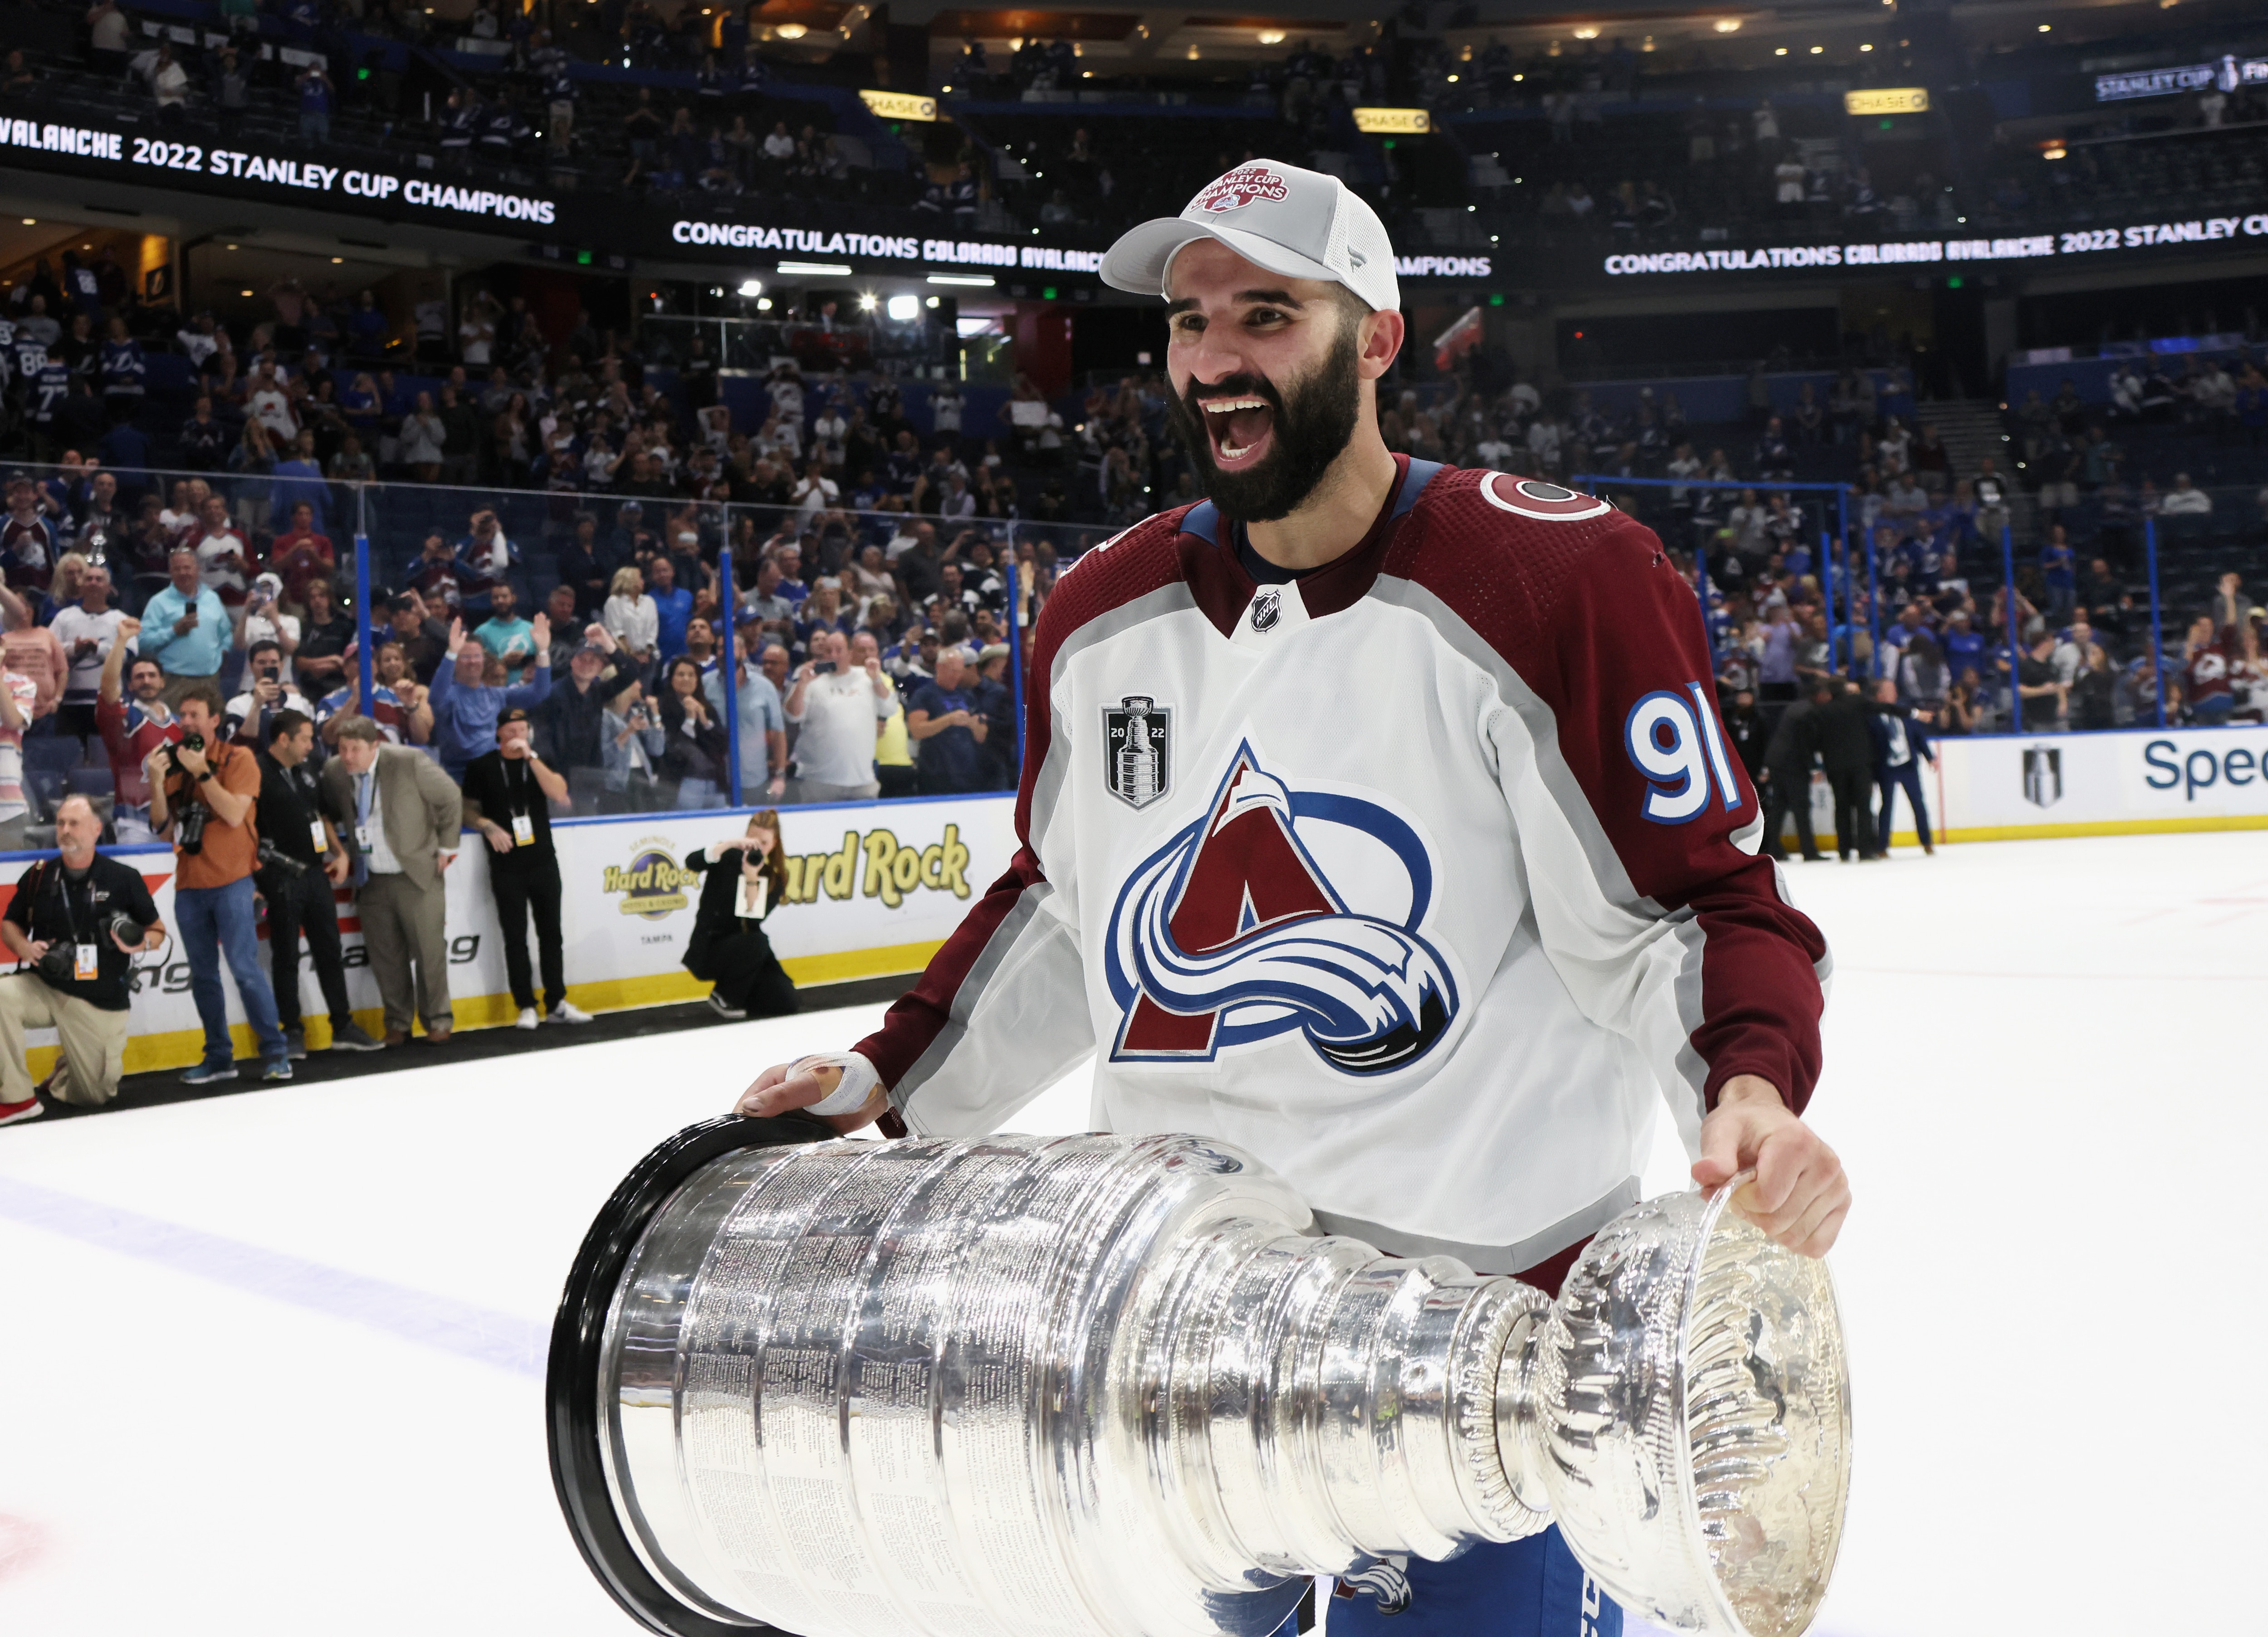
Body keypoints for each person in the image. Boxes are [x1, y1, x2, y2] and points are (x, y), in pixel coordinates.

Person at [733, 162, 1844, 1637]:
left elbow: (1695, 904)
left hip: (1480, 1336)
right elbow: (1073, 910)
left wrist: (1749, 1083)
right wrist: (891, 1072)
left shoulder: (1559, 581)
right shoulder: (1096, 618)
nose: (1212, 360)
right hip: (1177, 1325)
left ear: (1376, 338)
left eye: (1267, 314)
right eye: (1191, 321)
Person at [148, 685, 293, 1085]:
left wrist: (203, 772)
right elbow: (163, 829)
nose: (187, 722)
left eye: (195, 715)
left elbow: (233, 814)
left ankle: (276, 1052)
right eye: (183, 715)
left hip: (233, 880)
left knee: (245, 968)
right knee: (203, 975)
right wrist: (156, 782)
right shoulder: (177, 763)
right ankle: (218, 1057)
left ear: (215, 719)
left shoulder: (239, 757)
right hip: (190, 885)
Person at [0, 794, 165, 1124]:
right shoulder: (39, 875)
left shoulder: (123, 878)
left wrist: (140, 944)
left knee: (94, 1096)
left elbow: (158, 931)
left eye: (74, 823)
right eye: (61, 823)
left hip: (98, 999)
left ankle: (65, 1072)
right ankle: (17, 1099)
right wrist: (24, 948)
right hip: (45, 986)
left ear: (95, 829)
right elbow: (10, 923)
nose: (65, 830)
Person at [321, 715, 462, 1045]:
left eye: (356, 749)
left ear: (376, 746)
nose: (349, 756)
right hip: (370, 878)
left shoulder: (408, 761)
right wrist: (339, 851)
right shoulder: (334, 771)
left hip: (415, 874)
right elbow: (326, 812)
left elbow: (450, 797)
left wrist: (447, 846)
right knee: (386, 958)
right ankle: (398, 1022)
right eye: (343, 749)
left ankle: (437, 1020)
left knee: (430, 954)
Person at [255, 708, 382, 1057]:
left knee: (330, 950)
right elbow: (246, 829)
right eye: (306, 738)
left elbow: (321, 816)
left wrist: (339, 853)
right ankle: (292, 1030)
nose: (312, 745)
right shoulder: (256, 771)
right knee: (286, 956)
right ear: (284, 739)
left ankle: (342, 1025)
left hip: (315, 873)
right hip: (279, 874)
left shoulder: (309, 769)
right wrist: (254, 877)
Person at [460, 707, 591, 1029]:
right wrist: (485, 824)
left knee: (552, 934)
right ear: (499, 733)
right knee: (515, 936)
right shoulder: (482, 766)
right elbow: (465, 809)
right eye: (512, 729)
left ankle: (557, 1001)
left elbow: (560, 794)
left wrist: (531, 757)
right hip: (507, 865)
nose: (518, 734)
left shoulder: (540, 761)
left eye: (523, 729)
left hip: (543, 861)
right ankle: (526, 1004)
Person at [683, 809, 798, 1021]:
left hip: (747, 952)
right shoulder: (727, 857)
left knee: (786, 1001)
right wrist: (728, 845)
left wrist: (751, 877)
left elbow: (754, 918)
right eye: (752, 840)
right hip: (711, 948)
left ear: (775, 843)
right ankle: (725, 996)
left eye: (764, 842)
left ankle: (741, 992)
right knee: (758, 941)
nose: (758, 847)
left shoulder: (774, 877)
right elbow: (692, 862)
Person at [428, 614, 552, 780]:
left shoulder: (498, 695)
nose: (472, 661)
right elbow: (435, 698)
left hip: (497, 778)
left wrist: (543, 651)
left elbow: (540, 693)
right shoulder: (448, 696)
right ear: (456, 661)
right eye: (465, 657)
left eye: (477, 656)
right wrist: (451, 653)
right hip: (460, 781)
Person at [783, 629, 894, 802]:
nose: (834, 655)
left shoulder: (867, 677)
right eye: (828, 651)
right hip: (819, 781)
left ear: (850, 653)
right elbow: (792, 716)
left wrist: (877, 680)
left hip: (862, 781)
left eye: (839, 650)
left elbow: (889, 708)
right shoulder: (811, 680)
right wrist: (802, 684)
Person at [138, 547, 230, 706]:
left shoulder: (212, 599)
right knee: (173, 730)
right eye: (177, 569)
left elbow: (227, 633)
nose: (183, 573)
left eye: (187, 568)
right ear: (170, 572)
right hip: (173, 681)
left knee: (207, 731)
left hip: (209, 680)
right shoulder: (158, 602)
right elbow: (143, 643)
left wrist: (223, 652)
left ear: (197, 569)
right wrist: (173, 631)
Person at [51, 560, 125, 741]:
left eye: (99, 579)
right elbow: (50, 651)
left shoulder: (121, 620)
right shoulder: (64, 617)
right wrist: (74, 648)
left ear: (108, 587)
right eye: (89, 579)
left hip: (107, 703)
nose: (93, 583)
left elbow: (125, 657)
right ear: (81, 586)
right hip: (69, 702)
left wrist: (97, 648)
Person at [906, 645, 989, 795]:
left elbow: (981, 736)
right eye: (953, 671)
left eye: (959, 672)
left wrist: (974, 725)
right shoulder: (924, 695)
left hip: (968, 775)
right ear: (939, 667)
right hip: (936, 776)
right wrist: (949, 720)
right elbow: (916, 731)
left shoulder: (967, 696)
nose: (956, 676)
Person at [1867, 680, 1934, 857]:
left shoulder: (1904, 712)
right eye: (1890, 690)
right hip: (1886, 767)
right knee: (1887, 805)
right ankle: (1882, 846)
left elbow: (1918, 736)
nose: (1894, 693)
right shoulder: (1872, 716)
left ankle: (1927, 841)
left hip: (1908, 765)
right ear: (1879, 695)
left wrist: (1930, 757)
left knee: (1918, 804)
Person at [1814, 678, 1877, 862]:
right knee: (1863, 807)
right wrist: (1914, 713)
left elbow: (1818, 739)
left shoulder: (1824, 710)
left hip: (1836, 766)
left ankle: (1844, 850)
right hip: (1860, 764)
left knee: (1842, 808)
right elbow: (1883, 708)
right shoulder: (1857, 703)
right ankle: (1865, 850)